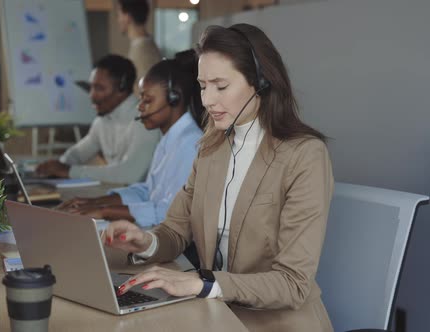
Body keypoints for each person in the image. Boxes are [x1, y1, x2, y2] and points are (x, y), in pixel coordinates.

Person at [103, 24, 334, 332]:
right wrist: (145, 241)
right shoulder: (210, 149)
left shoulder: (304, 155)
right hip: (215, 316)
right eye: (202, 86)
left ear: (261, 83)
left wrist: (203, 283)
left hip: (276, 322)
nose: (208, 100)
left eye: (220, 86)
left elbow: (293, 284)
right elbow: (175, 231)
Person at [57, 52, 203, 228]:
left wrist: (105, 211)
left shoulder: (189, 144)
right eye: (140, 98)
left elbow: (170, 212)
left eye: (147, 100)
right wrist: (94, 203)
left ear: (174, 99)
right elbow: (148, 191)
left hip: (176, 247)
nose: (139, 106)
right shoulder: (169, 139)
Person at [36, 54, 160, 184]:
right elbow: (78, 153)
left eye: (99, 88)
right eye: (91, 87)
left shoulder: (145, 118)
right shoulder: (102, 121)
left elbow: (130, 174)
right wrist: (57, 166)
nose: (91, 96)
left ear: (122, 88)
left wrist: (69, 171)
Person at [117, 0, 161, 92]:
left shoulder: (142, 49)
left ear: (127, 17)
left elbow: (145, 89)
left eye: (120, 15)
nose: (118, 19)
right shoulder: (144, 45)